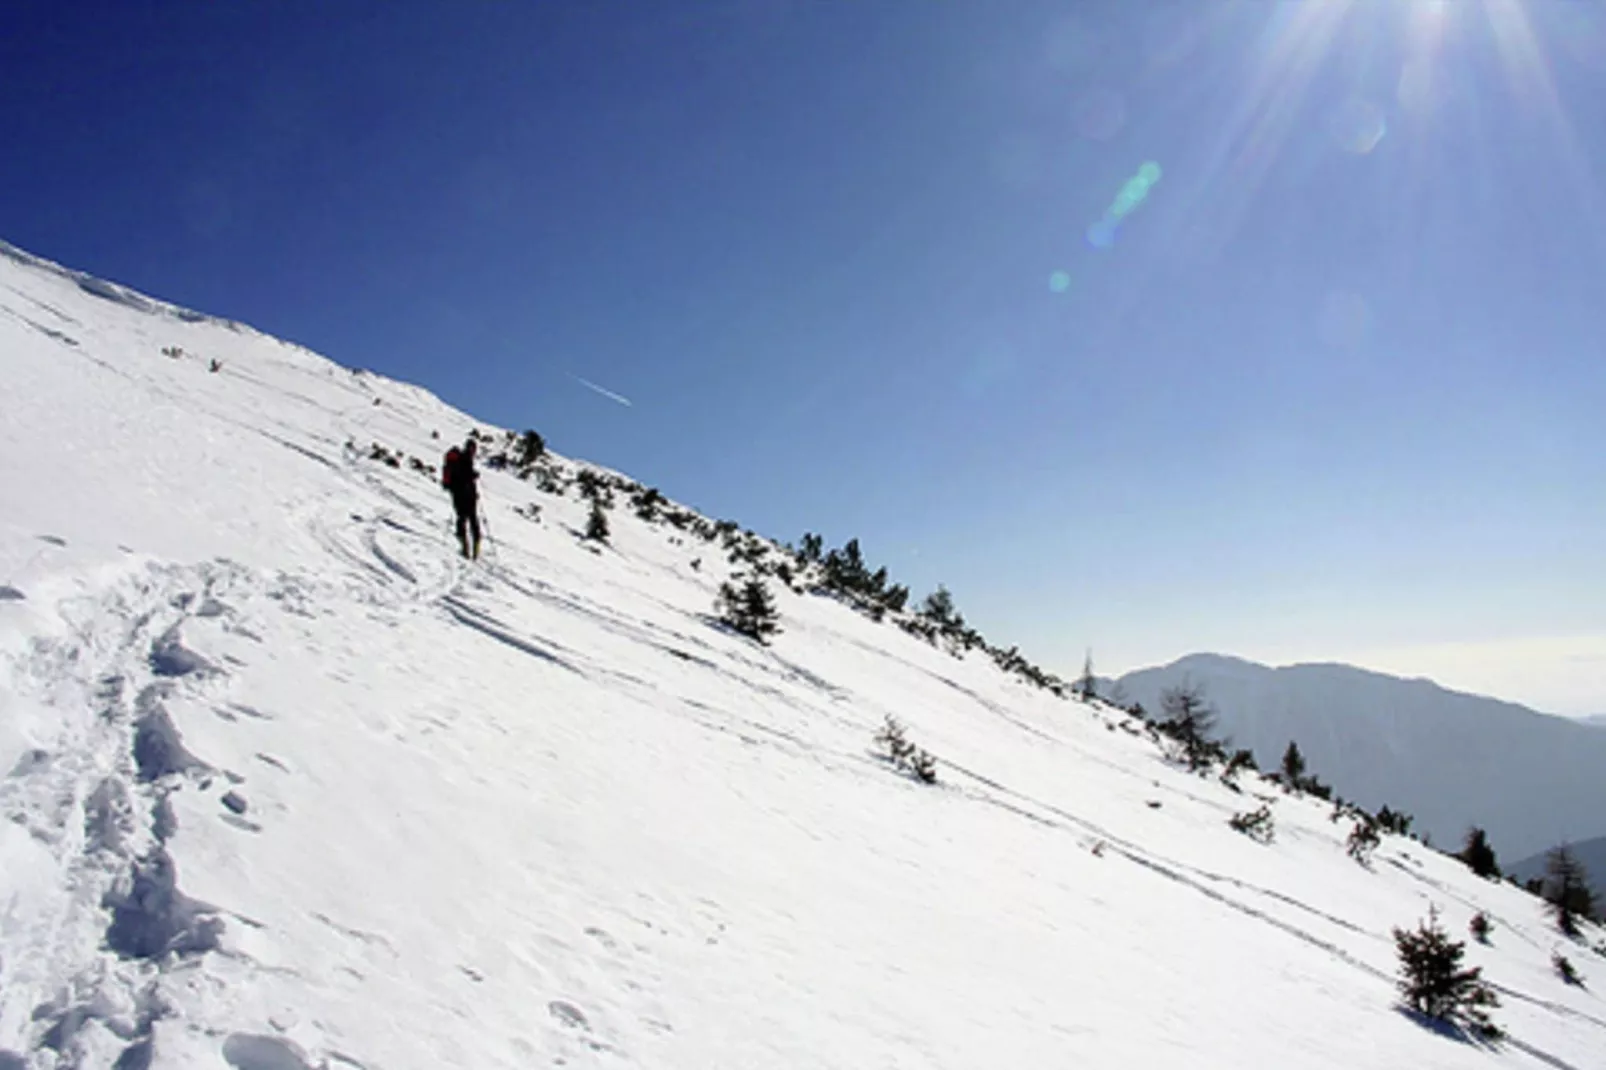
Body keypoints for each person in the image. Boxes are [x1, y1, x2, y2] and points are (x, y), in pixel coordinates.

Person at [441, 438, 481, 559]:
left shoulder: (462, 459)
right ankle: (475, 545)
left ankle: (465, 546)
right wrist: (473, 476)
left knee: (462, 518)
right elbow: (465, 476)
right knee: (472, 518)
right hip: (467, 494)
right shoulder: (465, 459)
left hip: (458, 493)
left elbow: (461, 475)